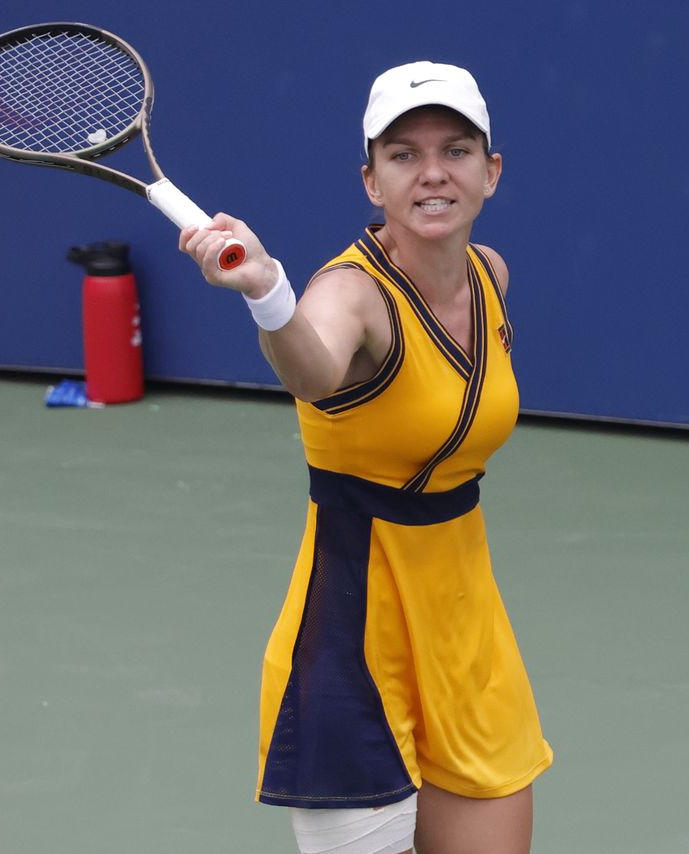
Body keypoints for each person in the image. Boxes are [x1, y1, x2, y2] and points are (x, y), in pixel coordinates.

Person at [179, 61, 553, 854]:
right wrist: (267, 292)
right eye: (403, 155)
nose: (432, 174)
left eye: (455, 151)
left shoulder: (491, 277)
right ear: (371, 181)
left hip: (466, 635)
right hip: (353, 645)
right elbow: (313, 370)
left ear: (491, 172)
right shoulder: (350, 296)